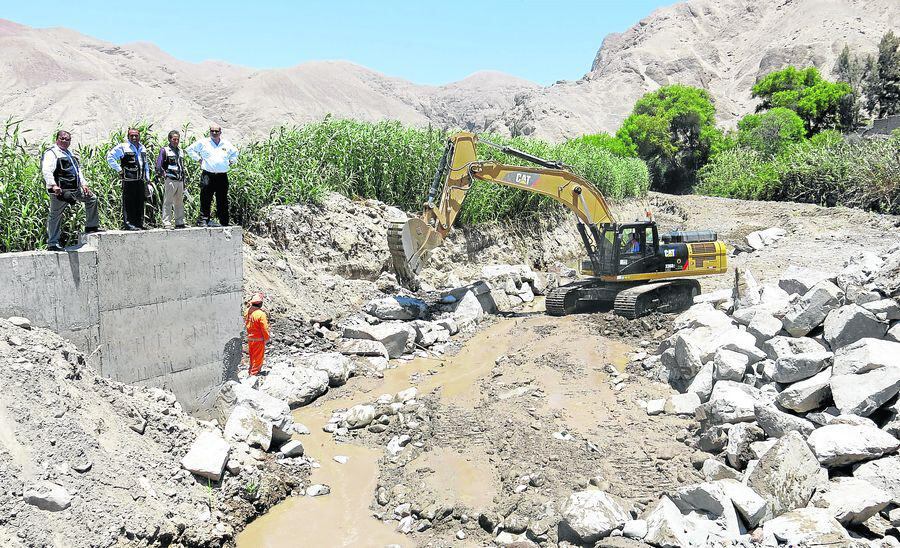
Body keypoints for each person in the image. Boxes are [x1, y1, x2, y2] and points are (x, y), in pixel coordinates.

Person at [42, 130, 103, 251]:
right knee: (55, 215)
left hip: (75, 189)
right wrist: (53, 186)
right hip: (61, 191)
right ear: (57, 139)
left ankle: (91, 226)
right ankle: (52, 243)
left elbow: (78, 171)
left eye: (67, 139)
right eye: (62, 139)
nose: (64, 141)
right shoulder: (52, 153)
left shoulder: (69, 153)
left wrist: (84, 184)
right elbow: (46, 171)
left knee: (92, 199)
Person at [186, 124, 239, 227]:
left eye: (216, 131)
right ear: (209, 132)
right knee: (205, 198)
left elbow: (235, 152)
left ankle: (224, 221)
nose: (214, 133)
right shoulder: (203, 142)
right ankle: (203, 220)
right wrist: (199, 159)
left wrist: (232, 161)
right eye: (212, 131)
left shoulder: (226, 144)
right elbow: (189, 149)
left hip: (222, 176)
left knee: (222, 199)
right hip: (207, 175)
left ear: (220, 132)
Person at [106, 128, 152, 230]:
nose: (134, 137)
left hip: (140, 179)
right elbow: (110, 157)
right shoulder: (123, 147)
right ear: (128, 137)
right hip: (128, 180)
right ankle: (128, 224)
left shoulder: (142, 147)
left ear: (139, 136)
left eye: (136, 135)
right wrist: (119, 170)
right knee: (129, 202)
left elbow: (145, 164)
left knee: (140, 202)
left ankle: (139, 223)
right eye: (132, 135)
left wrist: (147, 178)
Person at [155, 130, 187, 229]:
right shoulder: (165, 150)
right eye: (174, 139)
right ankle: (166, 222)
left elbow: (182, 166)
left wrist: (184, 179)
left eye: (177, 139)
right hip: (170, 179)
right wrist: (164, 175)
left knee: (179, 202)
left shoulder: (181, 151)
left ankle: (179, 221)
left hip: (180, 180)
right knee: (168, 201)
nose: (176, 141)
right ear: (169, 139)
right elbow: (159, 165)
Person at [244, 292, 270, 376]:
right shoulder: (260, 314)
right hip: (258, 340)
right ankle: (254, 375)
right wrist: (267, 338)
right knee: (258, 358)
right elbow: (264, 328)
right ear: (260, 303)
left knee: (252, 357)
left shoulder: (247, 311)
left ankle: (250, 371)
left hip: (250, 338)